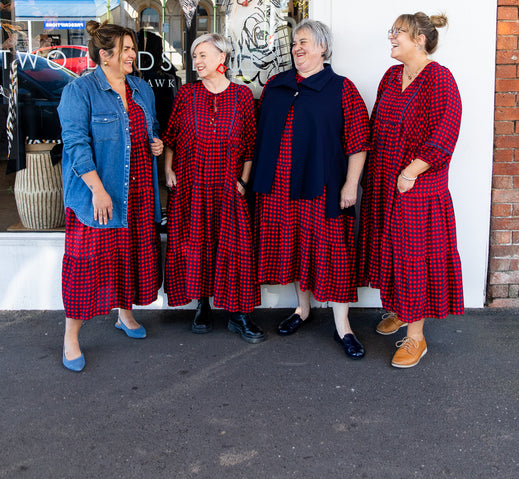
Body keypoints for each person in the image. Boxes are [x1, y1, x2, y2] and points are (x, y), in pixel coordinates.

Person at [252, 20, 370, 359]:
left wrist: (350, 184)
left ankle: (343, 326)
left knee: (332, 252)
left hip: (322, 187)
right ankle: (302, 310)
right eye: (293, 43)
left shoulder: (341, 88)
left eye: (304, 42)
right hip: (279, 189)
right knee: (293, 247)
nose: (296, 48)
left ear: (323, 47)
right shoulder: (277, 85)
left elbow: (359, 142)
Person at [357, 12, 463, 368]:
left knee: (413, 258)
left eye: (397, 32)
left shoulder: (440, 78)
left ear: (419, 39)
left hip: (417, 187)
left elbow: (445, 134)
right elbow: (376, 125)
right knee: (390, 250)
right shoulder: (391, 76)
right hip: (385, 181)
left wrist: (411, 171)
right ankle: (401, 311)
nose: (391, 37)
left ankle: (416, 337)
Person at [58, 21, 163, 372]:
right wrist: (98, 191)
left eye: (133, 48)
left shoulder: (141, 89)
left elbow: (147, 132)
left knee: (129, 257)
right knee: (86, 267)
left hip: (137, 192)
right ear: (105, 55)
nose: (134, 54)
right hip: (99, 194)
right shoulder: (80, 91)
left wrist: (156, 145)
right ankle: (71, 337)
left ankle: (125, 315)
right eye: (127, 49)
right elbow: (75, 145)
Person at [163, 32, 265, 343]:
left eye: (203, 55)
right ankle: (202, 305)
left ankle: (238, 313)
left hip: (228, 185)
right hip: (191, 183)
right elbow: (172, 137)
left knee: (234, 246)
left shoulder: (242, 96)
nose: (197, 61)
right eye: (194, 56)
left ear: (222, 58)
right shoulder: (186, 95)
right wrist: (168, 169)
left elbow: (250, 144)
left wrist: (243, 181)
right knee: (196, 244)